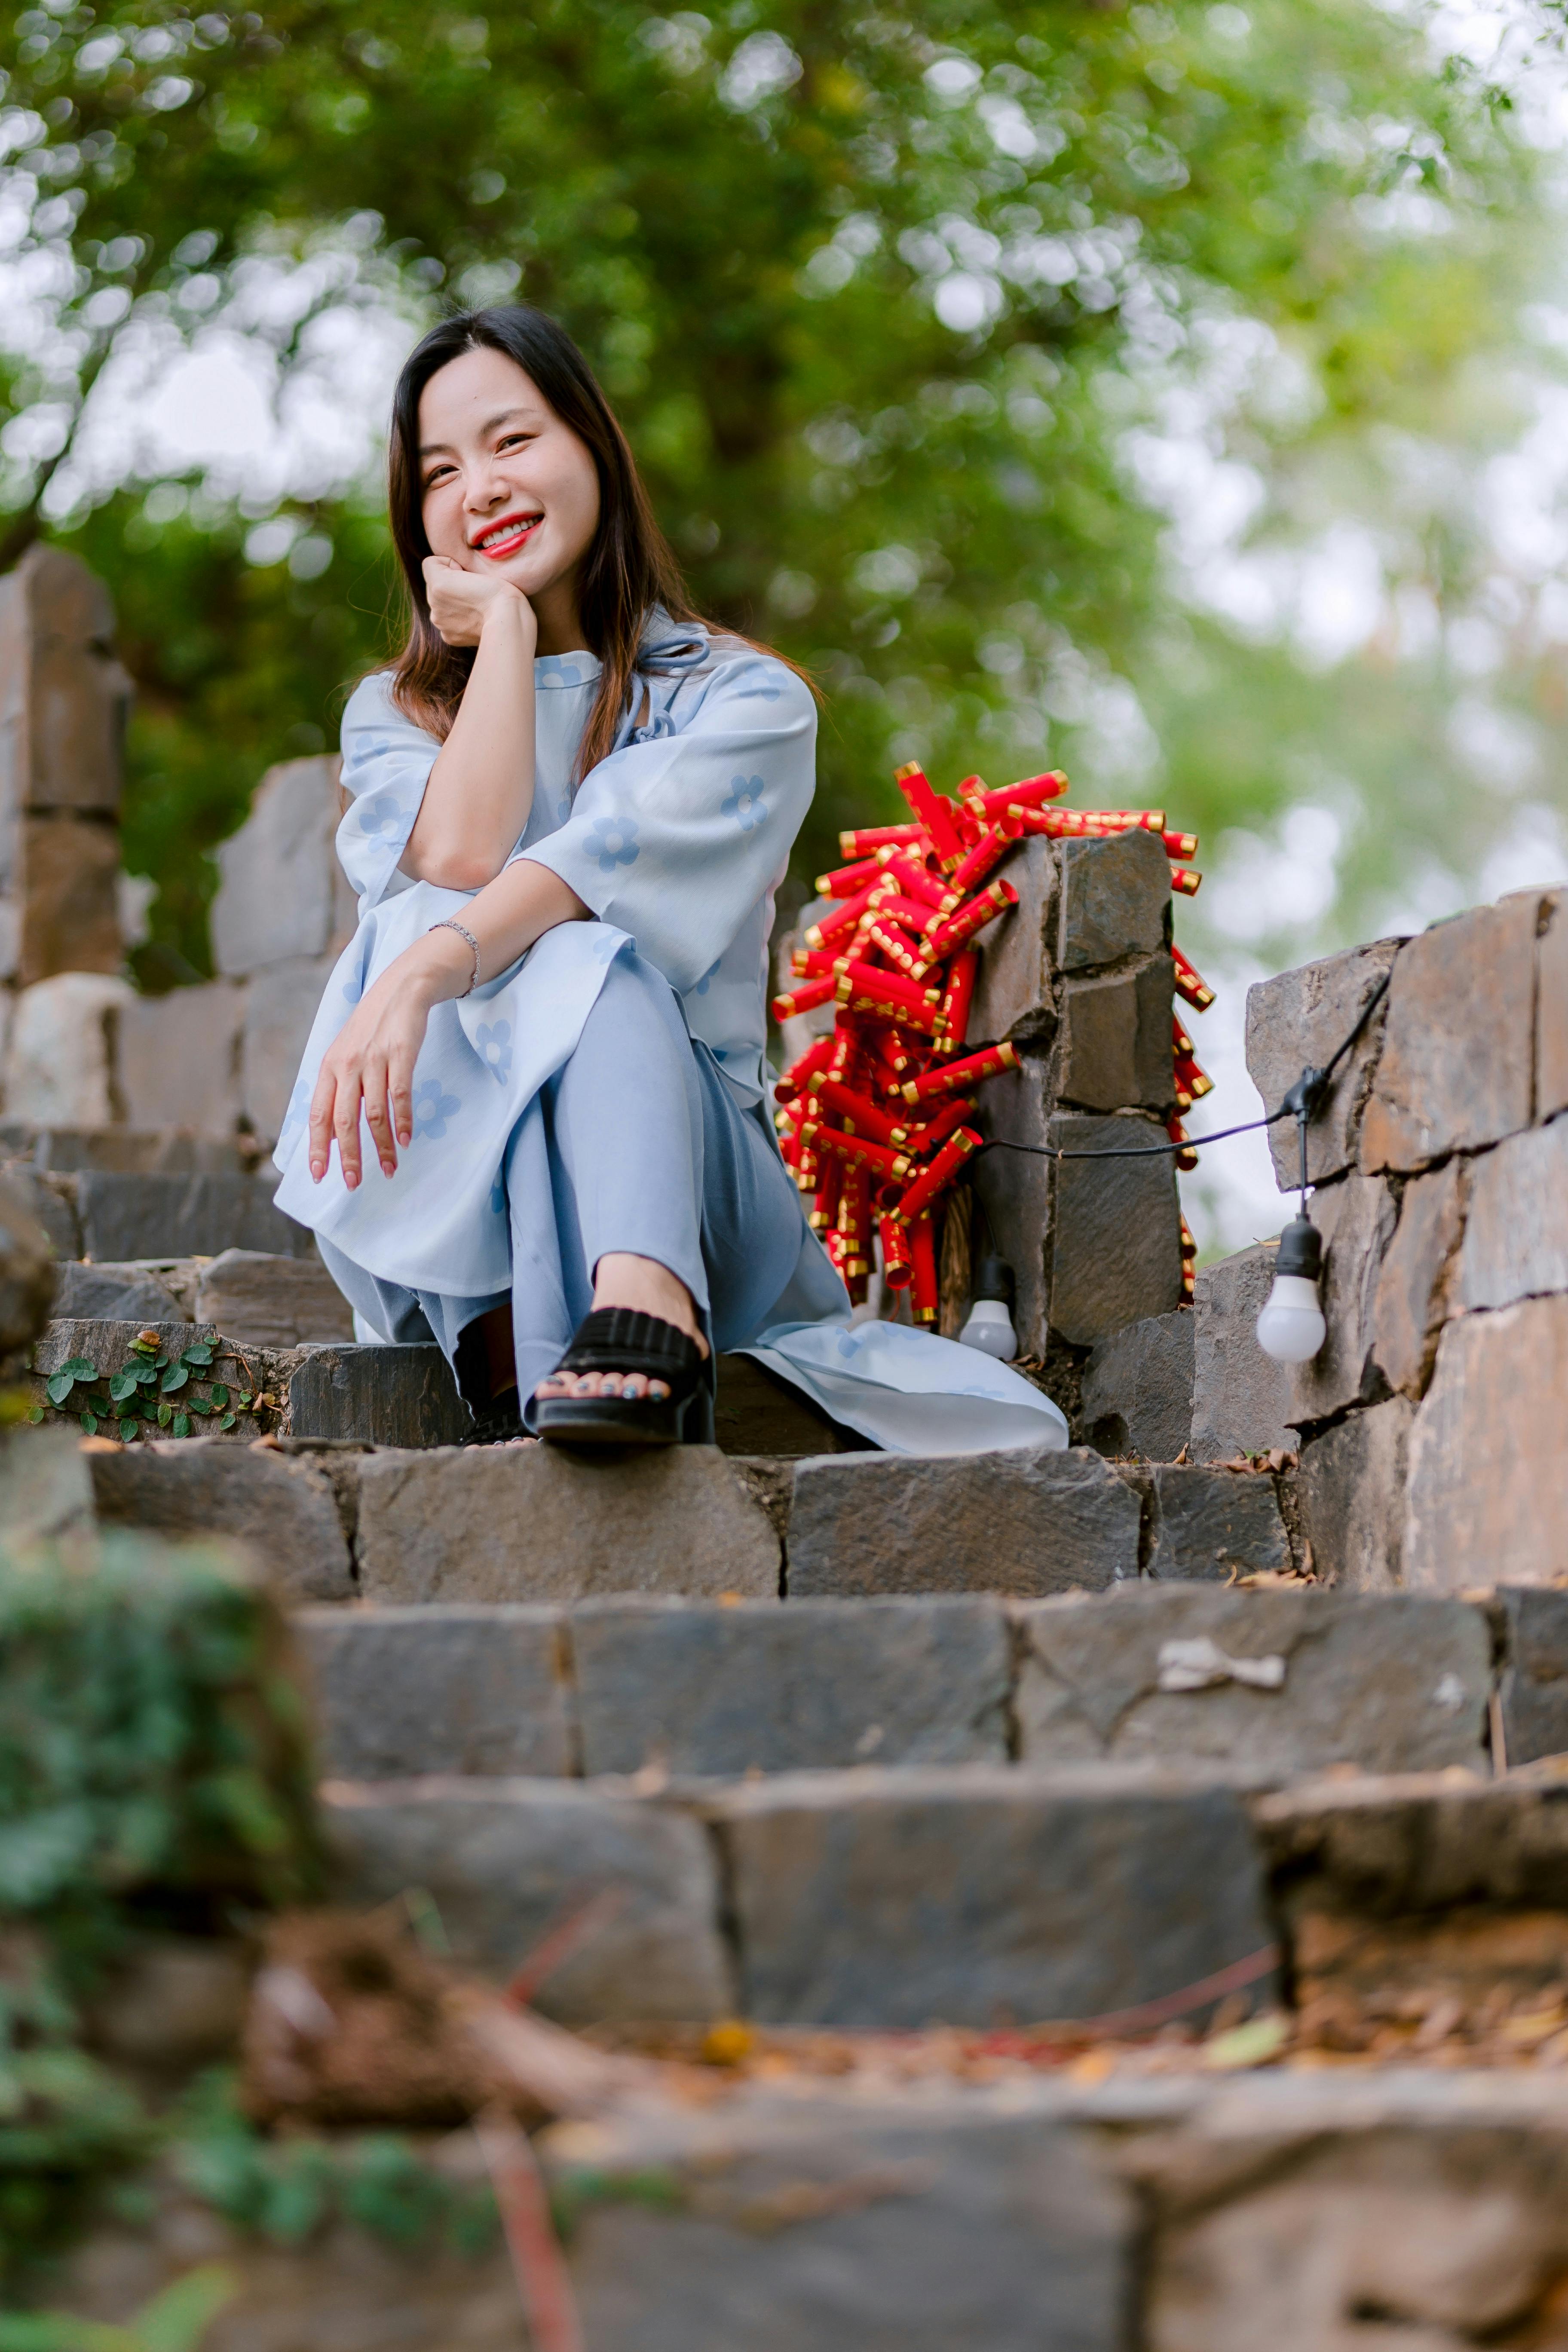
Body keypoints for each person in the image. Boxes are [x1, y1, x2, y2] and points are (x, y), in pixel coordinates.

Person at [272, 302, 1066, 1455]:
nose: (480, 488)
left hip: (692, 1185)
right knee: (477, 918)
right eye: (440, 471)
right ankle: (528, 1333)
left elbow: (587, 869)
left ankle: (645, 1298)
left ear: (594, 446)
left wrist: (422, 974)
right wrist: (505, 639)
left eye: (511, 440)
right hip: (444, 1201)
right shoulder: (394, 715)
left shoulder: (743, 700)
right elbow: (461, 857)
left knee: (587, 944)